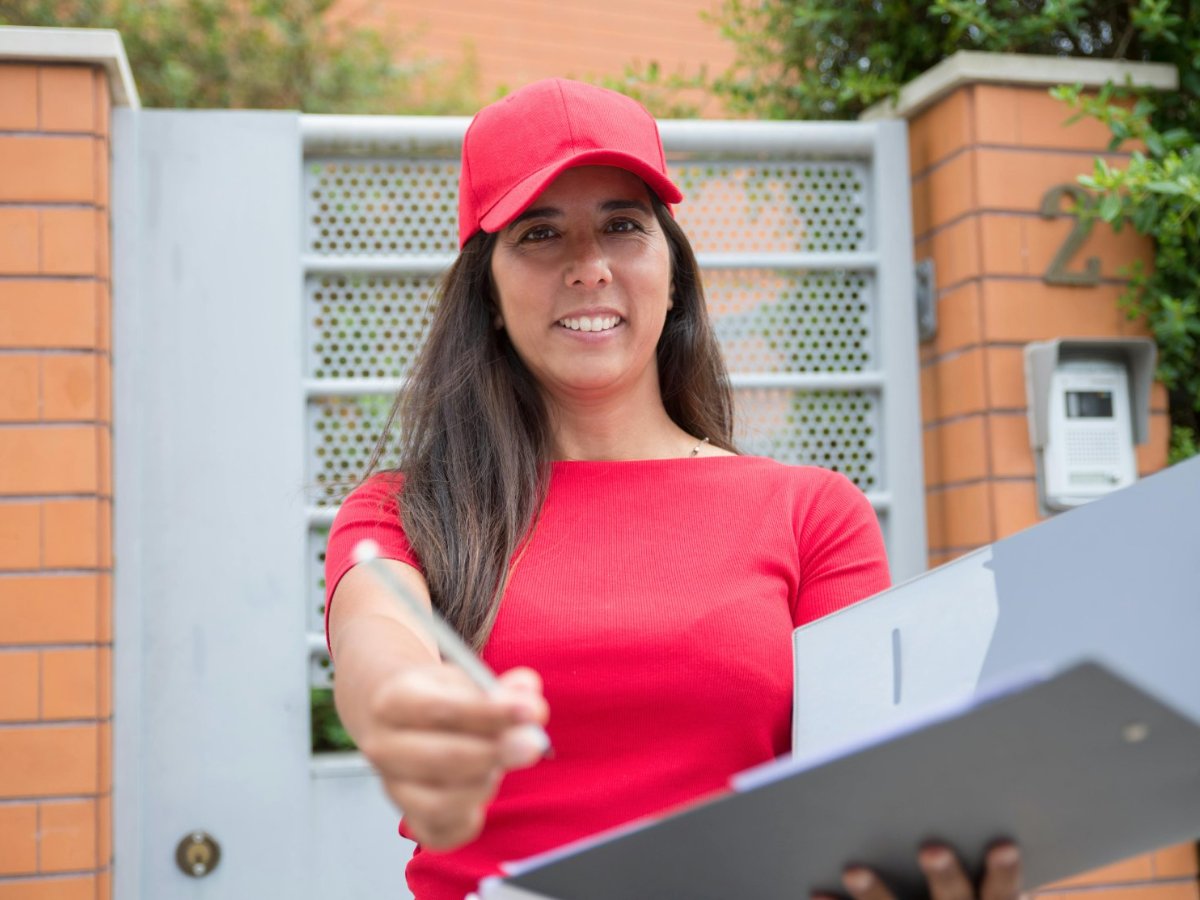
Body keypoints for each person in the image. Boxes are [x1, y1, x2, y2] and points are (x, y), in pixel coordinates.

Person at [324, 78, 1023, 900]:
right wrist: (410, 718)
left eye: (623, 225)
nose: (588, 267)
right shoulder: (403, 512)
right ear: (487, 288)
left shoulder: (812, 513)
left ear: (673, 266)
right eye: (539, 233)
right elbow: (379, 652)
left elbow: (862, 794)